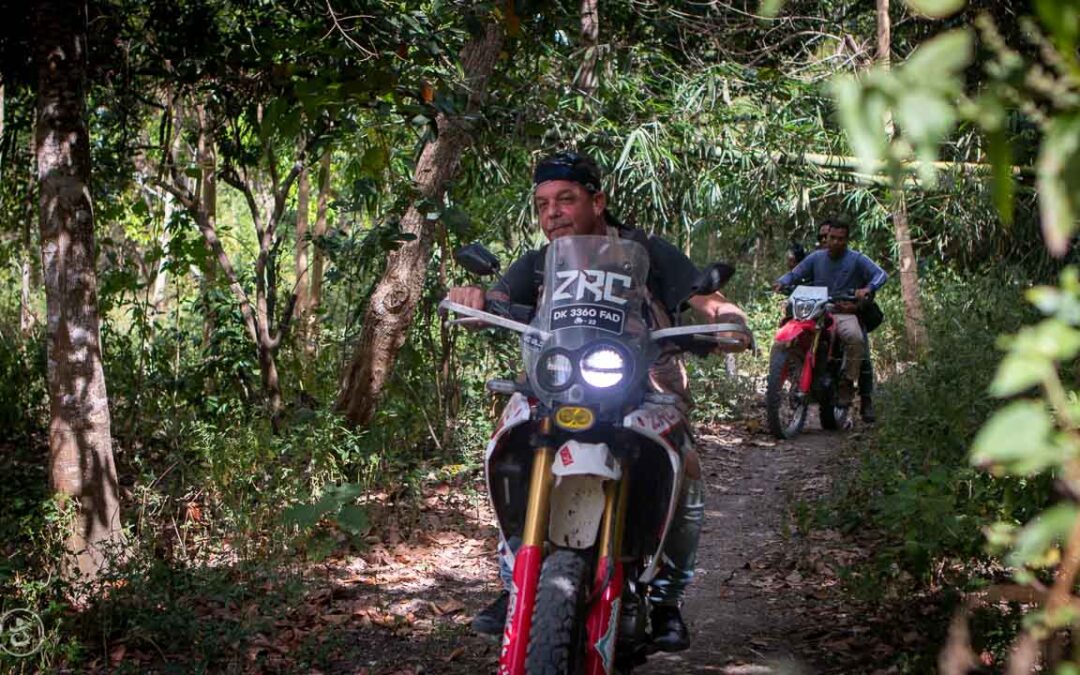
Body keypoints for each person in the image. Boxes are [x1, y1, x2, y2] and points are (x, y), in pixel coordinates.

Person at [447, 150, 750, 652]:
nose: (553, 213)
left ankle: (666, 599)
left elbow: (701, 297)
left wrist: (727, 316)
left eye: (566, 199)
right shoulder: (540, 263)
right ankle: (513, 579)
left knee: (686, 464)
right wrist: (473, 298)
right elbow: (495, 298)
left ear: (598, 200)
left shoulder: (648, 252)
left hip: (643, 385)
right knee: (507, 441)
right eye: (543, 204)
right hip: (554, 386)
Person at [773, 218, 887, 419]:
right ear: (826, 238)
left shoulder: (857, 259)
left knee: (855, 338)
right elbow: (795, 274)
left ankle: (847, 383)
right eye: (831, 238)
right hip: (816, 310)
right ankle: (785, 378)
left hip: (843, 312)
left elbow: (880, 275)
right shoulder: (815, 258)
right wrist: (782, 282)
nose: (834, 242)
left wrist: (868, 289)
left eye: (840, 239)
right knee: (788, 333)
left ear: (847, 239)